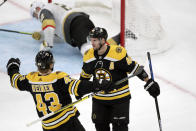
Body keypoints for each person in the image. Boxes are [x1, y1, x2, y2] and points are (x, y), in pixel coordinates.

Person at [6, 50, 113, 131]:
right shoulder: (58, 78)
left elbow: (15, 80)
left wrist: (13, 67)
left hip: (48, 127)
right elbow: (78, 87)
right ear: (51, 64)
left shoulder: (30, 79)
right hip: (67, 123)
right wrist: (98, 85)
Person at [79, 27, 160, 131]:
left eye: (94, 40)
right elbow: (84, 77)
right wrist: (80, 89)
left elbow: (135, 68)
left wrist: (148, 81)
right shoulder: (88, 55)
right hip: (99, 100)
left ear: (103, 40)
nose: (92, 43)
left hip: (120, 99)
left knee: (120, 128)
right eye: (91, 40)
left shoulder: (117, 53)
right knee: (100, 127)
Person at [30, 1, 95, 55]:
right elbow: (60, 38)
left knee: (88, 50)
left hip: (74, 25)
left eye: (34, 15)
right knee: (97, 44)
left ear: (37, 9)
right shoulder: (53, 7)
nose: (36, 18)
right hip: (83, 21)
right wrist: (42, 35)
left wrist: (46, 44)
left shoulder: (43, 10)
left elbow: (49, 26)